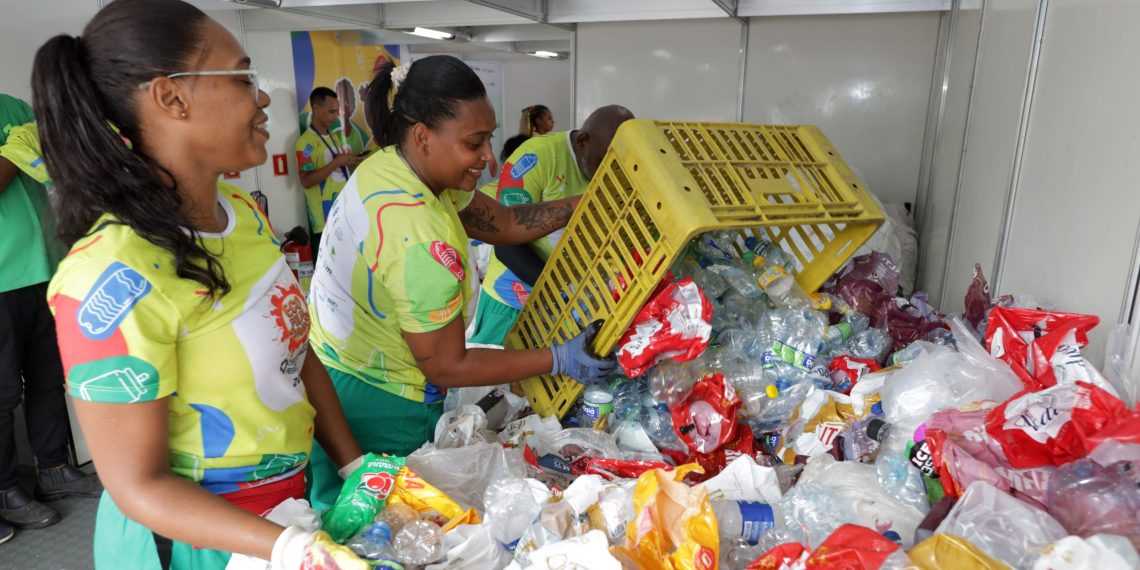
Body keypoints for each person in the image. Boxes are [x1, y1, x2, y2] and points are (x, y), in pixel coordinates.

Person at [33, 1, 367, 567]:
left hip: (282, 509)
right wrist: (288, 548)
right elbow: (137, 485)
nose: (262, 98)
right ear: (171, 97)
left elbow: (294, 350)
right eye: (243, 78)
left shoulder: (241, 212)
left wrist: (353, 465)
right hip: (194, 545)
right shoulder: (110, 277)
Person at [306, 55, 616, 511]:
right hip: (379, 401)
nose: (490, 159)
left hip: (337, 368)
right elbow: (446, 367)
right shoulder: (418, 235)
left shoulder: (395, 166)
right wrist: (556, 359)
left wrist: (585, 201)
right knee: (390, 533)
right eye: (475, 144)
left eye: (489, 140)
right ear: (423, 136)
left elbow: (506, 223)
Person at [0, 94, 102, 547]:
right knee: (2, 394)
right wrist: (10, 154)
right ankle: (6, 491)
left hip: (45, 267)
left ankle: (54, 469)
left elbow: (56, 164)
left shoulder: (12, 107)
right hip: (1, 278)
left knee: (47, 378)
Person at [469, 105, 635, 346]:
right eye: (602, 161)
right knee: (491, 374)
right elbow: (506, 244)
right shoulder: (536, 159)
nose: (608, 172)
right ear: (582, 142)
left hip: (568, 303)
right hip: (513, 298)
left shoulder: (613, 166)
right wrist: (560, 293)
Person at [296, 86, 364, 257]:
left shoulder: (334, 136)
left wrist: (348, 160)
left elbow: (336, 169)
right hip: (324, 220)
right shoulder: (304, 143)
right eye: (331, 111)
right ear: (316, 109)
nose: (335, 116)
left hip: (343, 214)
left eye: (336, 111)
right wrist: (337, 162)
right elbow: (306, 181)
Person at [335, 77, 370, 155]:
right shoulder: (335, 136)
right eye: (339, 101)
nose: (343, 106)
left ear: (352, 104)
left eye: (346, 102)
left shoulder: (356, 135)